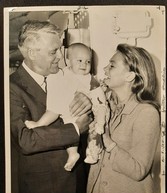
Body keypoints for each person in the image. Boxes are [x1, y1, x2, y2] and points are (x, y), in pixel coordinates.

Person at [10, 20, 93, 193]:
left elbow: (86, 116)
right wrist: (76, 129)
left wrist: (87, 104)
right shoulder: (11, 87)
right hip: (45, 190)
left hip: (78, 182)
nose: (60, 57)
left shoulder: (66, 76)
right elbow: (25, 139)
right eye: (53, 52)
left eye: (60, 50)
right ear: (32, 53)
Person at [87, 43, 160, 193]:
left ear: (130, 76)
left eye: (112, 66)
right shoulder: (107, 104)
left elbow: (138, 170)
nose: (105, 69)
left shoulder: (147, 113)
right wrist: (93, 138)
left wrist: (106, 139)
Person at [25, 43, 108, 172]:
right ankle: (72, 153)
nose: (84, 65)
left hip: (77, 112)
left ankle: (87, 152)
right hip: (66, 109)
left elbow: (99, 96)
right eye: (79, 61)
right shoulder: (62, 73)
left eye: (88, 61)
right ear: (68, 60)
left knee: (66, 120)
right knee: (67, 125)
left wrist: (98, 107)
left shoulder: (89, 78)